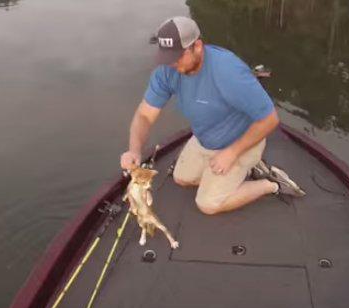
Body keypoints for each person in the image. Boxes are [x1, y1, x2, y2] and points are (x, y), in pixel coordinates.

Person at [120, 16, 304, 215]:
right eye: (167, 57)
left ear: (197, 46)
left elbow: (270, 120)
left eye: (177, 56)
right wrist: (134, 150)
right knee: (182, 179)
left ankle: (270, 184)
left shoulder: (229, 72)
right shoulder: (167, 71)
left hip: (241, 140)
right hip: (205, 138)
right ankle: (242, 171)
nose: (171, 64)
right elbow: (145, 116)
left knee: (208, 204)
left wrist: (232, 153)